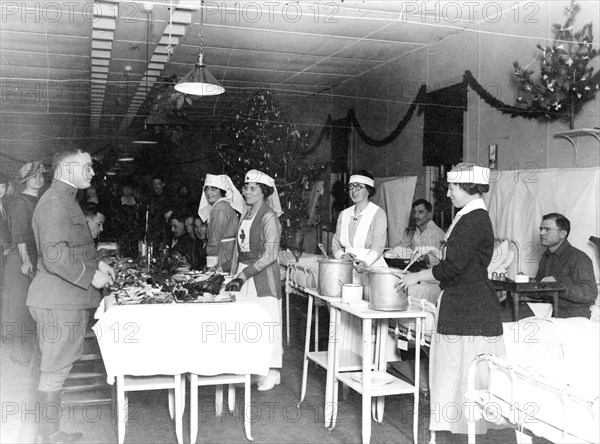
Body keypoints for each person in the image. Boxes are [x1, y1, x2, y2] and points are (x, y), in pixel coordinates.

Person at [398, 164, 504, 438]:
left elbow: (453, 267)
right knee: (455, 370)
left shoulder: (473, 219)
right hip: (462, 302)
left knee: (459, 370)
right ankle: (457, 427)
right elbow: (458, 259)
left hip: (468, 307)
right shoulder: (468, 217)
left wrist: (415, 277)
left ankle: (463, 429)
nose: (448, 193)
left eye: (452, 187)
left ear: (468, 188)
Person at [27, 148, 115, 443]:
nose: (92, 172)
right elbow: (54, 256)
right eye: (86, 167)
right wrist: (92, 275)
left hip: (65, 298)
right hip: (58, 299)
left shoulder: (66, 200)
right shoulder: (55, 202)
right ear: (66, 169)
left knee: (59, 367)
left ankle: (50, 433)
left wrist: (97, 263)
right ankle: (48, 436)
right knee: (53, 370)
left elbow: (72, 247)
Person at [226, 169, 283, 391]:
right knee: (247, 324)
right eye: (245, 187)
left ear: (263, 192)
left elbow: (270, 255)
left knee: (267, 323)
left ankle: (272, 371)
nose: (246, 191)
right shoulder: (246, 214)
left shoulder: (269, 217)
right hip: (243, 274)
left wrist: (243, 275)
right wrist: (233, 274)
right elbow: (237, 249)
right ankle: (251, 367)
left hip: (262, 276)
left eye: (252, 189)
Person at [2, 161, 46, 366]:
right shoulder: (20, 202)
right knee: (20, 307)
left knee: (32, 307)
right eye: (33, 176)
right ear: (25, 180)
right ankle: (19, 355)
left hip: (34, 258)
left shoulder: (40, 200)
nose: (38, 179)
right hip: (21, 259)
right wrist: (26, 260)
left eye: (41, 175)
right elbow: (18, 234)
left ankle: (30, 354)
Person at [527, 213, 597, 319]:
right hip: (548, 310)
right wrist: (525, 283)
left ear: (563, 234)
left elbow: (590, 293)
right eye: (541, 229)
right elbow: (540, 289)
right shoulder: (545, 258)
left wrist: (558, 286)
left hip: (572, 314)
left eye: (547, 229)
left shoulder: (578, 257)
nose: (541, 233)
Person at [331, 170, 388, 279]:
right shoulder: (344, 214)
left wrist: (365, 262)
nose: (353, 191)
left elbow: (378, 246)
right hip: (347, 269)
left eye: (358, 187)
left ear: (368, 190)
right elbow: (335, 243)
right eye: (351, 187)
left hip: (372, 269)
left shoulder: (378, 213)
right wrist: (342, 256)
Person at [198, 174, 245, 272]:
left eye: (214, 189)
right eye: (207, 189)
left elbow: (214, 238)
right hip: (227, 253)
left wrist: (211, 264)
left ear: (222, 191)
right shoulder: (223, 206)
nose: (209, 193)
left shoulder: (220, 207)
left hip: (222, 255)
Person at [400, 199, 445, 267]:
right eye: (414, 212)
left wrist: (425, 258)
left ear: (429, 215)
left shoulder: (438, 234)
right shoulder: (412, 232)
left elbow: (444, 262)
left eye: (420, 212)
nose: (416, 216)